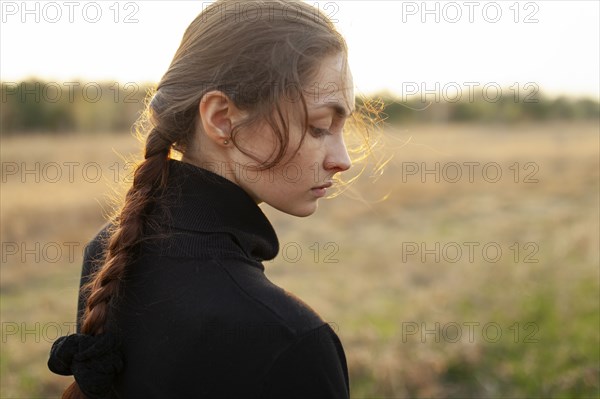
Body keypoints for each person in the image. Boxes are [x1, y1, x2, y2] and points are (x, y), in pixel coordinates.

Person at [48, 0, 366, 397]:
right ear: (221, 118)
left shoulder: (109, 248)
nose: (343, 161)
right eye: (320, 127)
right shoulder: (290, 340)